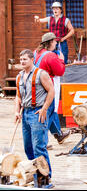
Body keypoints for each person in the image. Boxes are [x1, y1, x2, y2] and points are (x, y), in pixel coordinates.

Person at [15, 49, 55, 179]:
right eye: (21, 59)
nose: (22, 61)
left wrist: (44, 108)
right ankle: (36, 174)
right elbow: (18, 96)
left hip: (37, 113)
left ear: (32, 60)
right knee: (28, 147)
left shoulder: (41, 74)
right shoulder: (19, 76)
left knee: (39, 147)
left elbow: (51, 91)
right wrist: (17, 111)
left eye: (25, 59)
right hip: (25, 113)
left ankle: (46, 176)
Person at [34, 32, 71, 144]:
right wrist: (61, 60)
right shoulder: (50, 55)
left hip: (37, 86)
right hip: (48, 85)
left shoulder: (36, 52)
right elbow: (60, 71)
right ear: (50, 42)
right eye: (55, 41)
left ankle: (58, 134)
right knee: (49, 111)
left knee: (50, 111)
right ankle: (42, 141)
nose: (56, 43)